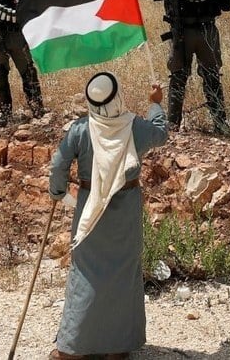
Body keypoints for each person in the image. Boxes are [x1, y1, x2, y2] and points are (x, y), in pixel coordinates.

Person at [48, 73, 168, 359]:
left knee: (86, 273)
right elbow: (160, 133)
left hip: (89, 207)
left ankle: (72, 349)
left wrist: (61, 195)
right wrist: (155, 103)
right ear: (118, 97)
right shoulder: (134, 128)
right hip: (125, 208)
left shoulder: (80, 129)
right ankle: (117, 347)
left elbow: (58, 165)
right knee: (123, 272)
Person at [150, 0, 230, 135]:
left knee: (212, 77)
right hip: (181, 32)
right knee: (178, 77)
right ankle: (173, 124)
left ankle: (220, 123)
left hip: (207, 31)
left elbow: (227, 6)